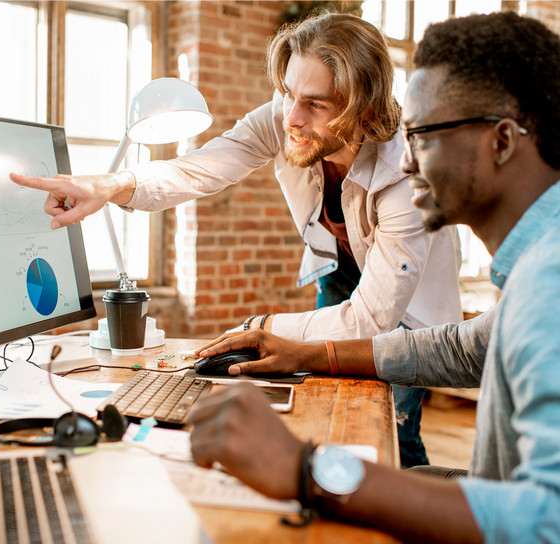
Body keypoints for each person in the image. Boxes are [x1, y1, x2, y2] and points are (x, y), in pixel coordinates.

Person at [10, 13, 463, 467]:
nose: (292, 117)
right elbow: (201, 167)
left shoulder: (406, 171)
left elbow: (371, 321)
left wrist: (259, 327)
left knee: (391, 419)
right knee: (328, 394)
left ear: (361, 106)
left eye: (315, 104)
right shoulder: (284, 115)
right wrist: (109, 186)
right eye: (288, 93)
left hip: (406, 304)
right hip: (340, 269)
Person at [188, 10, 560, 543]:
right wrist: (309, 354)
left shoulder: (550, 283)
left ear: (501, 142)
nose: (404, 164)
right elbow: (463, 349)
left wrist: (304, 468)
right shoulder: (538, 264)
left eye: (423, 137)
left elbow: (548, 523)